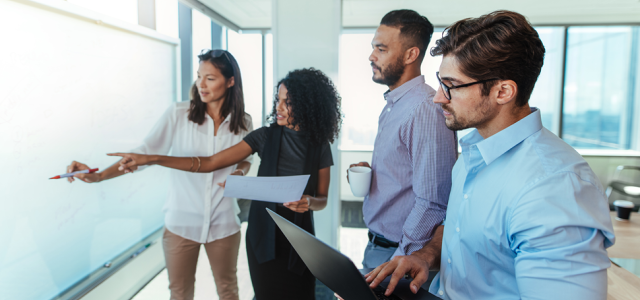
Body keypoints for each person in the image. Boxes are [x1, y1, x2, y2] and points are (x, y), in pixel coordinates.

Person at [365, 10, 616, 299]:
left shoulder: (554, 189)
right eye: (440, 82)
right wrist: (426, 255)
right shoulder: (474, 153)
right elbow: (459, 227)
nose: (438, 97)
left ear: (503, 91)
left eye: (453, 86)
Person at [109, 68, 342, 300]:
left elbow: (322, 199)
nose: (278, 108)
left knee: (302, 295)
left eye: (287, 102)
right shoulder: (264, 136)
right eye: (277, 100)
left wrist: (309, 202)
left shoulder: (319, 145)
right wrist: (153, 158)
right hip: (264, 236)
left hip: (301, 240)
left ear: (307, 105)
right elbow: (209, 162)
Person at [65, 49, 252, 300]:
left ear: (230, 81)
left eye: (210, 78)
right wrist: (98, 176)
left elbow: (245, 160)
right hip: (181, 222)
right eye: (199, 76)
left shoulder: (244, 122)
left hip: (224, 222)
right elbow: (145, 153)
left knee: (228, 290)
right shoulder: (178, 114)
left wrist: (240, 172)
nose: (201, 84)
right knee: (180, 293)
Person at [347, 9, 457, 269]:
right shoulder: (394, 104)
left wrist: (400, 259)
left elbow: (433, 202)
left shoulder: (424, 109)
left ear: (411, 55)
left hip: (398, 253)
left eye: (382, 49)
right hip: (380, 247)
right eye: (374, 47)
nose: (371, 56)